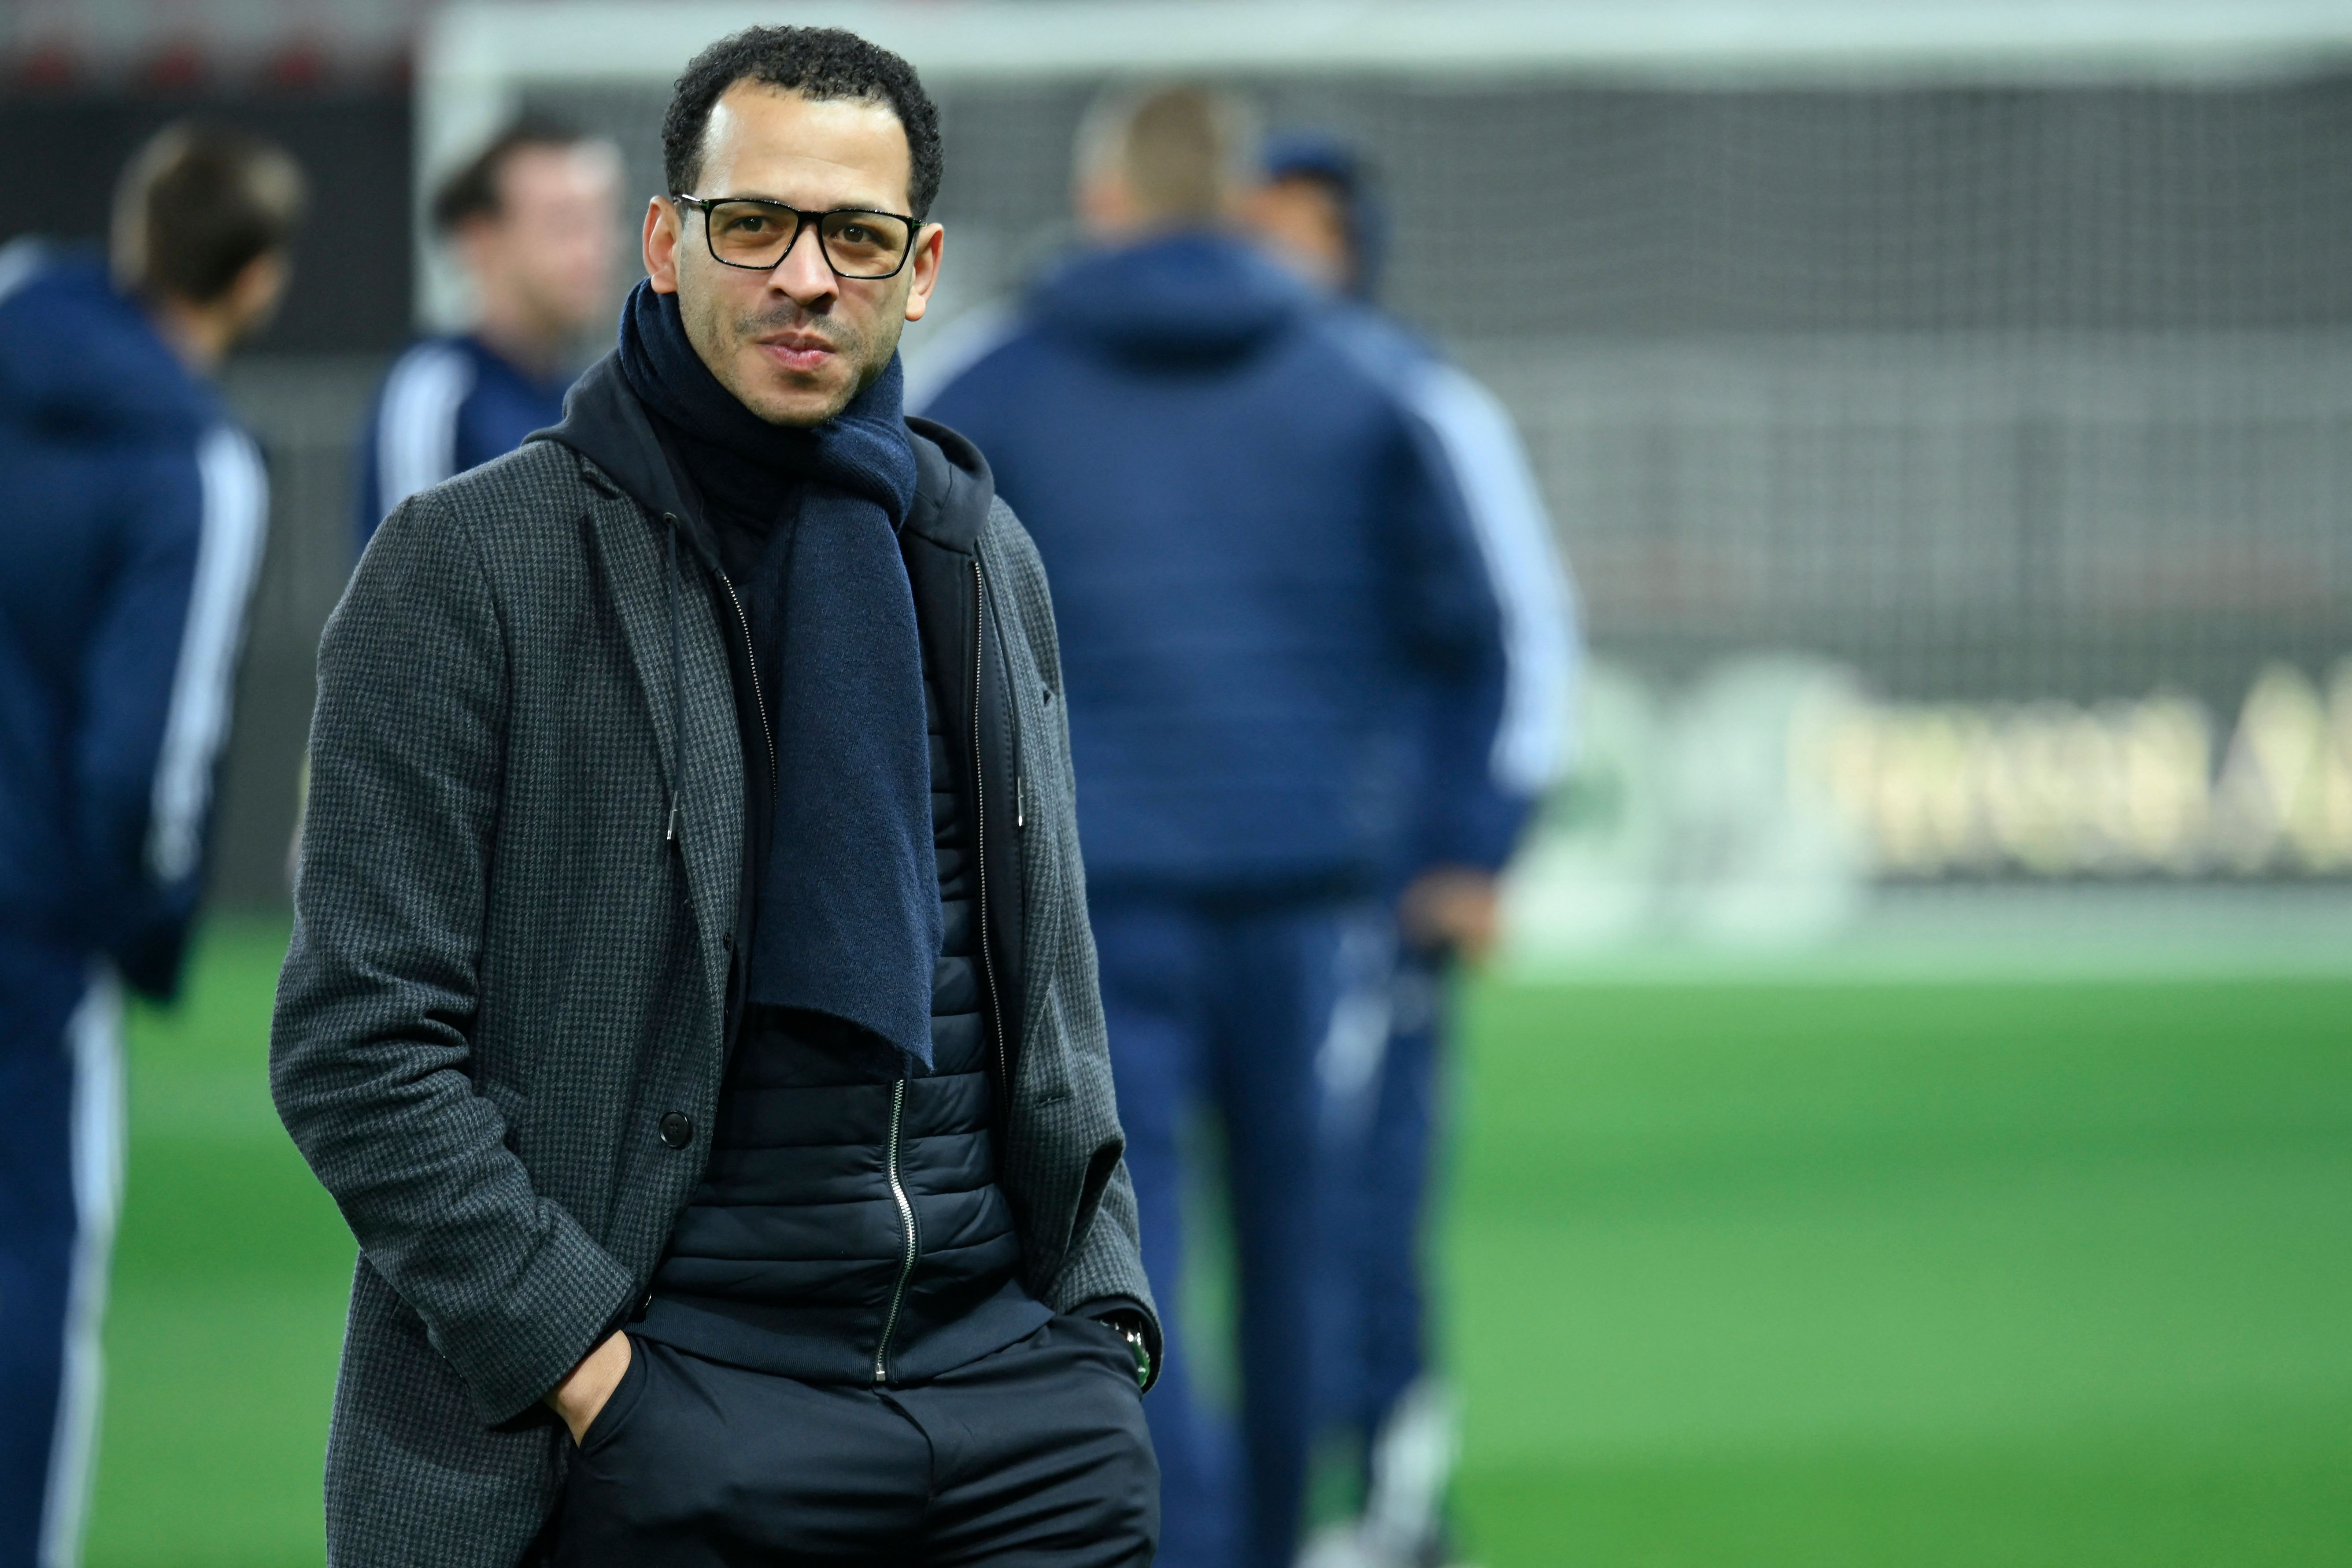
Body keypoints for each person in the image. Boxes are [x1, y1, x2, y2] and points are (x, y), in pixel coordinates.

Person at [271, 26, 1157, 1568]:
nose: (806, 277)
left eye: (857, 236)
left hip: (1014, 1422)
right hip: (670, 1421)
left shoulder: (978, 552)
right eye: (756, 225)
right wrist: (599, 1381)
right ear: (667, 242)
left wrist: (1099, 1331)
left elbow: (1054, 990)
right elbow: (357, 1047)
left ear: (922, 266)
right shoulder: (470, 564)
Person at [918, 87, 1507, 1568]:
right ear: (1239, 200)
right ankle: (1271, 1534)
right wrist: (1453, 837)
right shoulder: (1364, 380)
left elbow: (898, 625)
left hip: (1088, 902)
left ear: (1104, 197)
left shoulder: (999, 382)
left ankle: (1168, 1542)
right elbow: (1473, 634)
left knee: (1122, 1258)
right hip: (1314, 897)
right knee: (1305, 1246)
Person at [1245, 133, 1581, 1568]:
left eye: (1295, 233)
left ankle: (1388, 1502)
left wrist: (1478, 848)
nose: (1269, 261)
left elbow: (1528, 641)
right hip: (1219, 886)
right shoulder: (1220, 411)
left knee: (1359, 1197)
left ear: (1351, 247)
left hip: (1376, 890)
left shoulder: (1426, 406)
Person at [0, 122, 300, 1568]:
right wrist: (148, 928)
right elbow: (144, 759)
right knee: (26, 1287)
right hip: (27, 942)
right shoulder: (191, 463)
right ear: (255, 283)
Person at [354, 117, 618, 549]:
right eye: (564, 223)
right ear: (480, 238)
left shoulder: (593, 399)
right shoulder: (436, 391)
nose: (597, 249)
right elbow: (406, 593)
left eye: (602, 222)